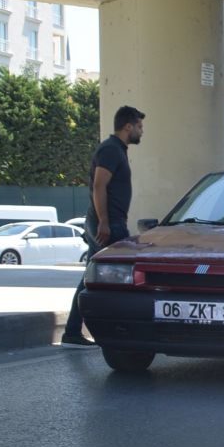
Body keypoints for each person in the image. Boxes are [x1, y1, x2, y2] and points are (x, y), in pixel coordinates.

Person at [60, 106, 144, 349]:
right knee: (123, 275)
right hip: (107, 223)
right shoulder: (110, 150)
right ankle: (119, 333)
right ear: (128, 126)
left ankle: (72, 331)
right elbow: (99, 186)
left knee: (91, 277)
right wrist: (104, 222)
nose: (141, 131)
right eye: (139, 126)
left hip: (109, 221)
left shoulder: (117, 150)